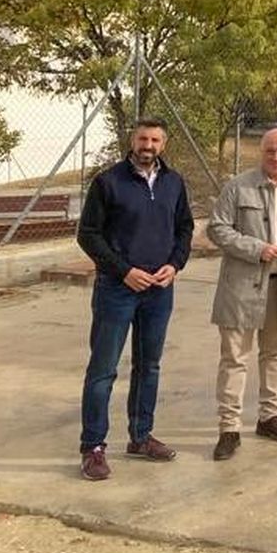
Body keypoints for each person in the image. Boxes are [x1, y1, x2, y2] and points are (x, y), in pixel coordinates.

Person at [75, 119, 193, 481]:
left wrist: (175, 265)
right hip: (118, 289)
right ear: (132, 141)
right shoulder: (108, 182)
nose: (148, 145)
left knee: (149, 366)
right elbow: (88, 234)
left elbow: (185, 228)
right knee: (104, 370)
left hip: (159, 290)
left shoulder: (173, 182)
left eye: (155, 139)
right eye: (143, 138)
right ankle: (93, 447)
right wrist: (124, 270)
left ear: (163, 144)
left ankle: (141, 437)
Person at [205, 127, 277, 462]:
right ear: (262, 152)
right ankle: (229, 428)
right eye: (271, 151)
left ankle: (269, 416)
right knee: (234, 358)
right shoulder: (238, 186)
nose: (276, 157)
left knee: (275, 354)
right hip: (242, 287)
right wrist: (255, 248)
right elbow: (217, 228)